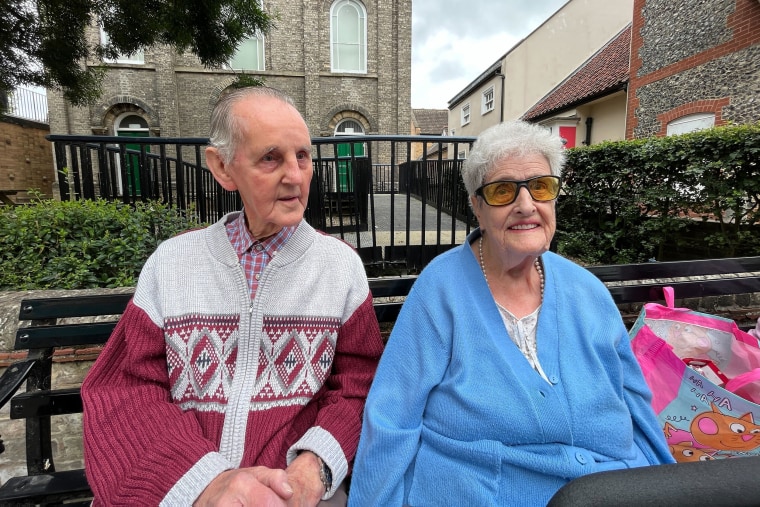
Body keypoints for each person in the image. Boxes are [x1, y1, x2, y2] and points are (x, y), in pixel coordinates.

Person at [81, 86, 384, 506]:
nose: (295, 175)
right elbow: (125, 392)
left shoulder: (340, 267)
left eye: (303, 155)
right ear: (222, 167)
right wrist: (205, 483)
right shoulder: (173, 263)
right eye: (270, 158)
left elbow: (360, 385)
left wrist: (315, 466)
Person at [348, 120, 674, 506]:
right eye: (503, 190)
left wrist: (666, 488)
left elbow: (635, 401)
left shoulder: (587, 291)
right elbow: (392, 415)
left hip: (610, 486)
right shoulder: (441, 291)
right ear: (477, 207)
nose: (526, 205)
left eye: (540, 186)